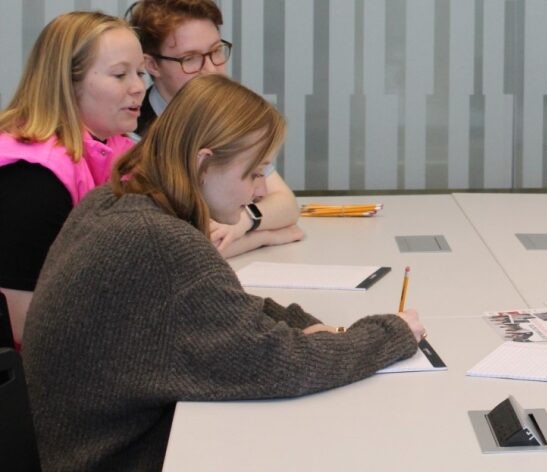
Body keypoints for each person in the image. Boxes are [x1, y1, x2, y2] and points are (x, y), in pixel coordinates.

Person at [22, 74, 425, 472]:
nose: (261, 191)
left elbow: (223, 305)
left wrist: (305, 324)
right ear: (203, 164)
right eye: (253, 174)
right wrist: (390, 335)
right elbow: (282, 365)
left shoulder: (113, 202)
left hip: (84, 444)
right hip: (117, 457)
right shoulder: (159, 242)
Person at [0, 11, 144, 347]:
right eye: (121, 74)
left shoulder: (121, 152)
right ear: (67, 82)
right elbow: (22, 326)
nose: (138, 87)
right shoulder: (31, 181)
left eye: (140, 72)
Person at [126, 0, 302, 256]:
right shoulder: (130, 133)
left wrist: (243, 224)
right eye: (190, 58)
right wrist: (263, 237)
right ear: (152, 65)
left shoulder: (226, 118)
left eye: (216, 51)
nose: (211, 70)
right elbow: (183, 249)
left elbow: (286, 203)